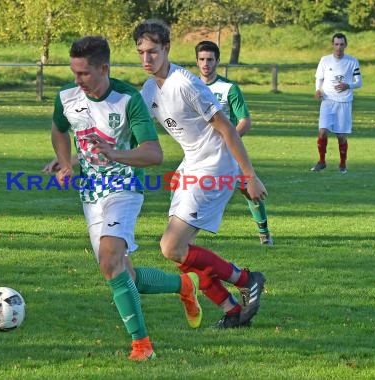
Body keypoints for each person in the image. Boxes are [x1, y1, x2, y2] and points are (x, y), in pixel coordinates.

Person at [51, 36, 202, 361]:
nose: (77, 80)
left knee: (109, 260)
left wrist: (116, 153)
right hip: (90, 195)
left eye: (84, 74)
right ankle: (184, 286)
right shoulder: (66, 96)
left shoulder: (128, 100)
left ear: (104, 68)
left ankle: (142, 345)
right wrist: (64, 161)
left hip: (124, 188)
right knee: (124, 274)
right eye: (74, 73)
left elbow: (154, 153)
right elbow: (59, 128)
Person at [132, 19, 266, 329]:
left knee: (171, 246)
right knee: (179, 254)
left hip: (215, 166)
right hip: (191, 165)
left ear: (167, 48)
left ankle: (246, 280)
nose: (146, 59)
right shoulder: (150, 88)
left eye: (152, 52)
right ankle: (232, 311)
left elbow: (227, 128)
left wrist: (248, 175)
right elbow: (129, 127)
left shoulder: (185, 83)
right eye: (141, 53)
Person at [195, 40, 272, 246]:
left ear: (217, 61)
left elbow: (245, 121)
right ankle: (179, 234)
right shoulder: (190, 87)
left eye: (210, 59)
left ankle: (264, 233)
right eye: (202, 59)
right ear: (196, 62)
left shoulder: (228, 88)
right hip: (198, 153)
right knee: (180, 186)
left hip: (227, 152)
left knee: (249, 189)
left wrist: (228, 139)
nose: (206, 64)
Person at [311, 32, 362, 174]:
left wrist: (348, 85)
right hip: (327, 100)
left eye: (341, 44)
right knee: (322, 132)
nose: (338, 47)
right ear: (332, 45)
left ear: (345, 45)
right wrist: (317, 90)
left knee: (341, 136)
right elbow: (319, 78)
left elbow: (359, 82)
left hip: (344, 102)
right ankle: (321, 161)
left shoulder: (352, 61)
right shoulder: (325, 60)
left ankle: (342, 164)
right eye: (336, 44)